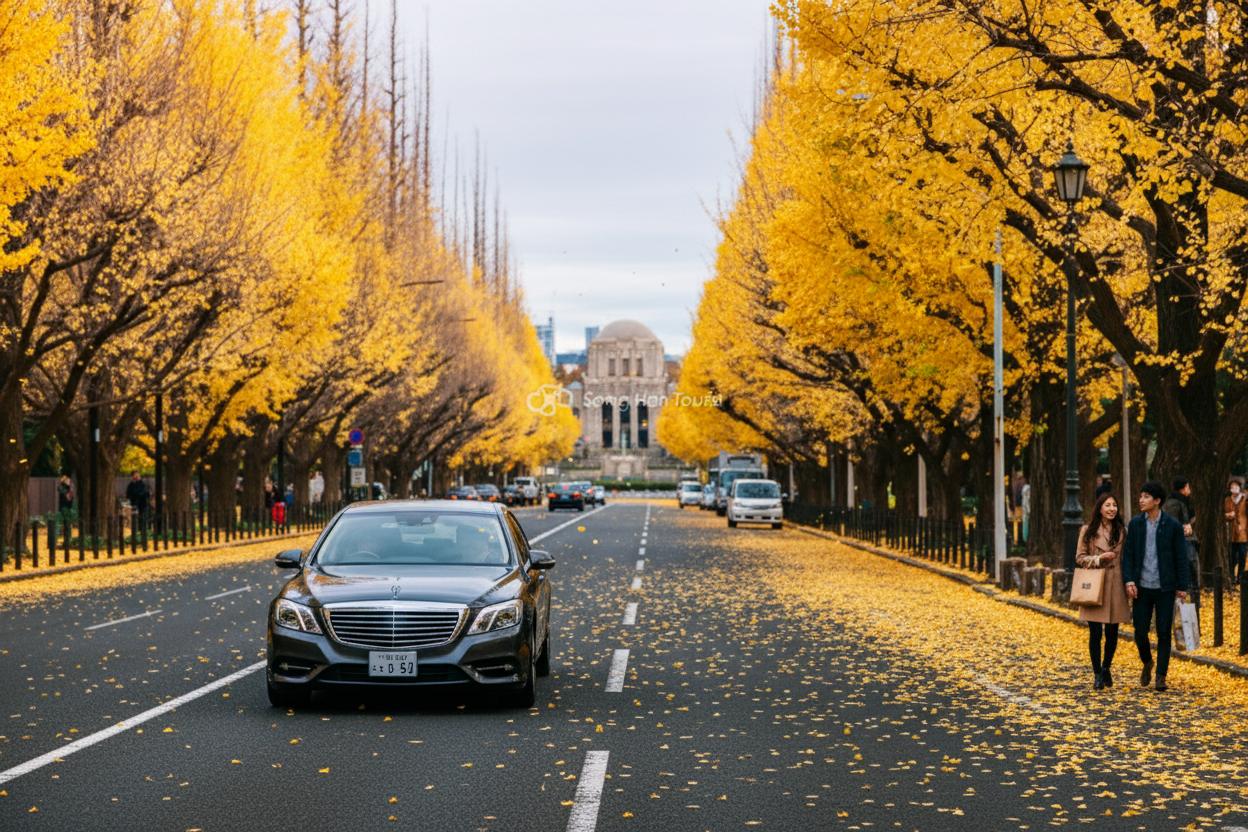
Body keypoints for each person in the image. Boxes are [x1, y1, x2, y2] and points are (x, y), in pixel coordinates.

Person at [1123, 481, 1190, 692]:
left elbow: (1181, 557)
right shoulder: (1135, 524)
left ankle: (1161, 676)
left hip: (1165, 588)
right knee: (1140, 632)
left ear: (1157, 501)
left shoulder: (1172, 526)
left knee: (1163, 632)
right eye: (1140, 496)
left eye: (1145, 496)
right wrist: (1129, 580)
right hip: (1141, 587)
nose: (1141, 500)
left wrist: (1182, 585)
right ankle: (1147, 661)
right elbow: (1129, 555)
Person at [1076, 492, 1128, 690]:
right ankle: (1097, 672)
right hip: (1095, 583)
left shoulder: (1122, 530)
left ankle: (1107, 667)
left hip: (1115, 583)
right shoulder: (1088, 530)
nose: (1112, 508)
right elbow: (1080, 557)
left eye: (1114, 505)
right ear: (1100, 508)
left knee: (1113, 632)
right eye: (1108, 505)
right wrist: (1098, 559)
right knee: (1095, 632)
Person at [1162, 477, 1200, 599]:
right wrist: (1183, 528)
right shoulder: (1173, 502)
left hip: (1188, 541)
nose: (1190, 490)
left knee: (1192, 569)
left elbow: (1191, 518)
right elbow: (1171, 522)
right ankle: (1189, 595)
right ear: (1183, 488)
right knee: (1189, 568)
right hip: (1183, 542)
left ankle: (1193, 596)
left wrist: (1189, 524)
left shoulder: (1185, 501)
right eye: (1188, 487)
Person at [1224, 478, 1248, 583]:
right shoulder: (1227, 500)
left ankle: (1240, 577)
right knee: (1232, 556)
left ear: (1240, 487)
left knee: (1242, 555)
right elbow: (1224, 514)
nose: (1234, 488)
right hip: (1231, 533)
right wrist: (1228, 515)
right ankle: (1231, 576)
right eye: (1232, 487)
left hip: (1243, 532)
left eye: (1236, 486)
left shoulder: (1245, 499)